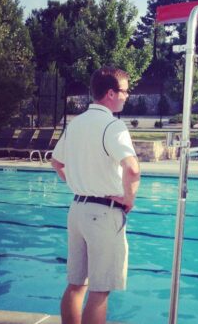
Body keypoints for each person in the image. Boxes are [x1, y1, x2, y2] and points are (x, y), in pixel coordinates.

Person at [50, 65, 140, 324]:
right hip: (103, 213)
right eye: (125, 91)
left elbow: (57, 162)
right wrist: (128, 199)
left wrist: (80, 184)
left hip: (77, 210)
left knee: (76, 284)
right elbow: (132, 170)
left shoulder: (76, 124)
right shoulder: (113, 126)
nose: (127, 95)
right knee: (99, 291)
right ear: (110, 93)